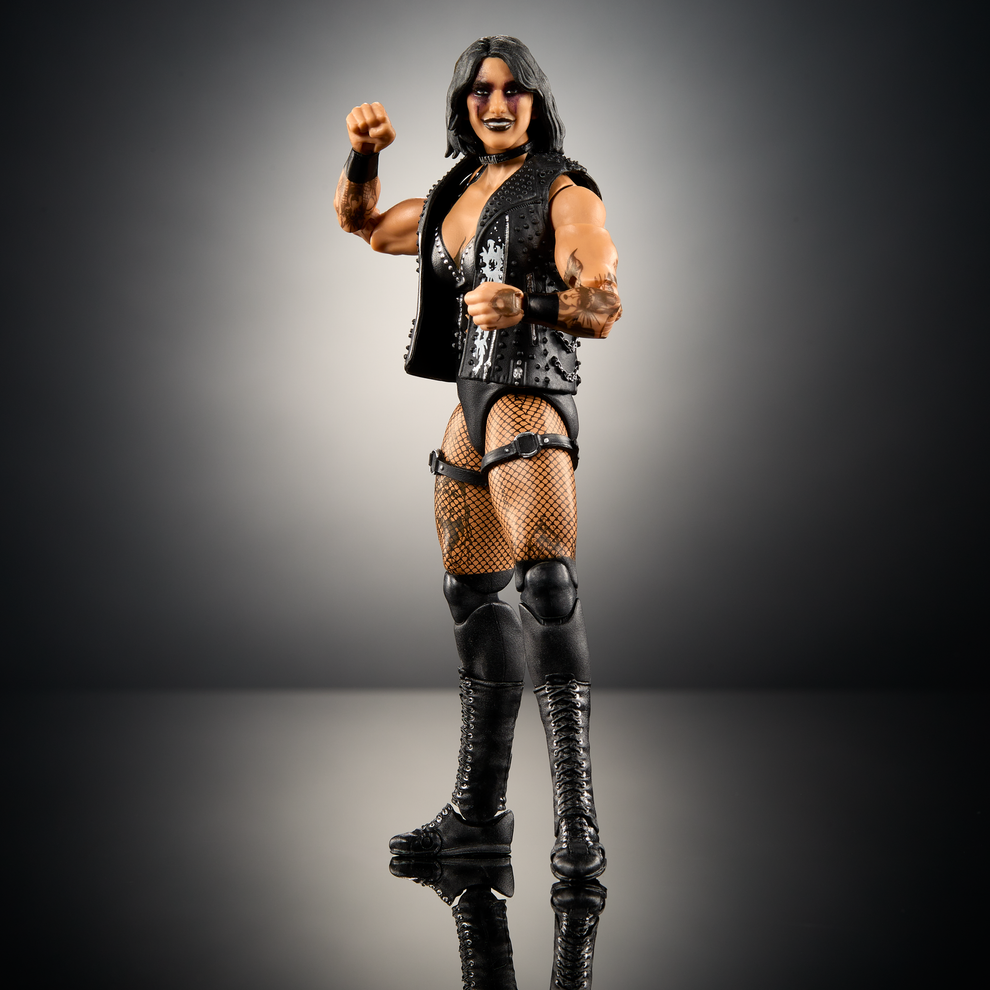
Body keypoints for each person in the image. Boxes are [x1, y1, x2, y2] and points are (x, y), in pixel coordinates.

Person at [334, 36, 620, 880]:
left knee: (547, 588)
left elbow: (604, 301)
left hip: (529, 394)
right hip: (469, 406)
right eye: (481, 91)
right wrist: (362, 155)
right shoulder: (451, 194)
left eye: (514, 90)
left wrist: (532, 303)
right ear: (463, 105)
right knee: (472, 595)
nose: (497, 104)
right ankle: (477, 817)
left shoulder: (564, 191)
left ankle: (577, 823)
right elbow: (362, 225)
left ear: (537, 101)